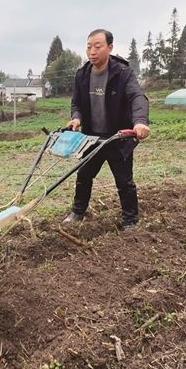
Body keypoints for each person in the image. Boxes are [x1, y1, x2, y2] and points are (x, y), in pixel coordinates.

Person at [63, 29, 150, 230]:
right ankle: (78, 211)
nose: (92, 51)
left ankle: (130, 220)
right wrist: (76, 118)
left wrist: (139, 121)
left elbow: (137, 97)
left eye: (97, 46)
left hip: (117, 137)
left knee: (124, 181)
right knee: (84, 175)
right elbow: (76, 103)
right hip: (92, 137)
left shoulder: (122, 73)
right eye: (88, 46)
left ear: (109, 48)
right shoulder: (82, 75)